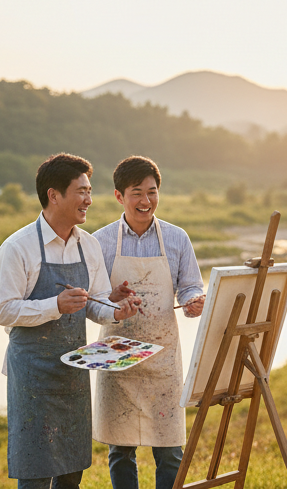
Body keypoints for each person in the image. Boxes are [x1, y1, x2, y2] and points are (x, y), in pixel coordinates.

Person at [0, 154, 141, 489]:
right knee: (34, 473)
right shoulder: (17, 248)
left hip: (72, 372)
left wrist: (118, 310)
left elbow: (97, 303)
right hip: (31, 376)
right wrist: (55, 305)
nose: (89, 199)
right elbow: (3, 310)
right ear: (53, 195)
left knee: (72, 472)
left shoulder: (88, 245)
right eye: (81, 191)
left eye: (90, 191)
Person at [92, 156, 205, 489]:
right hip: (117, 356)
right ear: (118, 196)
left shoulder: (176, 238)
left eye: (152, 192)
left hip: (163, 359)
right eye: (136, 193)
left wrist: (193, 302)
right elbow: (94, 298)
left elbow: (191, 286)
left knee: (170, 450)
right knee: (120, 450)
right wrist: (111, 301)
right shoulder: (99, 241)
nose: (146, 201)